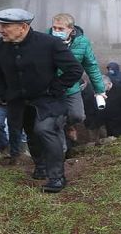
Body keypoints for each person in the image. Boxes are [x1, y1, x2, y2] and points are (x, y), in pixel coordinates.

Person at [0, 8, 83, 193]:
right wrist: (4, 95)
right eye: (0, 25)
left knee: (45, 130)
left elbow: (74, 70)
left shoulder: (49, 43)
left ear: (23, 27)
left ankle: (57, 177)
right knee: (31, 133)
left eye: (5, 25)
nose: (0, 30)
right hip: (18, 101)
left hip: (48, 100)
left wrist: (54, 89)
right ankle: (40, 167)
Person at [47, 13, 106, 150]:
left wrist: (99, 90)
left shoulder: (82, 42)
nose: (56, 31)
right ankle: (60, 152)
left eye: (60, 29)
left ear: (71, 29)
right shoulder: (45, 38)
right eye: (54, 28)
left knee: (78, 115)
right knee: (57, 120)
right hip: (51, 87)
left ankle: (69, 125)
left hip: (72, 87)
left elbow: (91, 65)